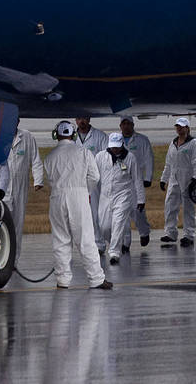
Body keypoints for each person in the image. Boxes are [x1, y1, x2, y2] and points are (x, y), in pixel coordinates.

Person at [45, 120, 112, 290]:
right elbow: (95, 177)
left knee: (60, 240)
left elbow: (50, 180)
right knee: (86, 239)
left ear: (56, 135)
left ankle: (63, 280)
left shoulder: (50, 156)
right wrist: (85, 192)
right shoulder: (83, 152)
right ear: (73, 135)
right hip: (78, 196)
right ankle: (96, 278)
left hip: (57, 197)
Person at [96, 132, 145, 264]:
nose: (115, 149)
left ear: (122, 144)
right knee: (104, 227)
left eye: (117, 146)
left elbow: (137, 179)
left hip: (123, 196)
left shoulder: (130, 158)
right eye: (113, 146)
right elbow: (93, 175)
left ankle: (114, 253)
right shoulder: (100, 156)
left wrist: (141, 199)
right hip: (105, 196)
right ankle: (115, 242)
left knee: (118, 223)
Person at [1, 119, 45, 260]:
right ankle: (1, 255)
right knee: (2, 222)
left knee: (17, 224)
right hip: (2, 188)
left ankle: (13, 260)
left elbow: (36, 160)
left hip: (20, 188)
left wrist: (38, 180)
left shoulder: (27, 137)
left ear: (18, 121)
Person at [160, 116, 196, 247]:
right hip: (174, 180)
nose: (179, 129)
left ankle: (189, 235)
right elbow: (168, 163)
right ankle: (170, 233)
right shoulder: (173, 143)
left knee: (188, 208)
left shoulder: (193, 143)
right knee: (170, 206)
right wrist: (163, 179)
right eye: (177, 126)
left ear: (187, 128)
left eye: (181, 126)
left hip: (187, 179)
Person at [73, 117, 109, 251]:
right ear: (75, 121)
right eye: (79, 119)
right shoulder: (71, 138)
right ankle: (85, 243)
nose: (82, 121)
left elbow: (107, 158)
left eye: (84, 119)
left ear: (88, 119)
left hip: (95, 181)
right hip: (77, 181)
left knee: (96, 212)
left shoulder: (100, 136)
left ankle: (99, 243)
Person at [120, 116, 154, 247]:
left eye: (129, 124)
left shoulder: (142, 140)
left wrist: (148, 178)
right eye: (124, 124)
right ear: (120, 126)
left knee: (138, 210)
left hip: (137, 181)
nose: (126, 126)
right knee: (123, 212)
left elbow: (148, 159)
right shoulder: (116, 141)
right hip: (121, 181)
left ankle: (144, 232)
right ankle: (125, 242)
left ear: (133, 125)